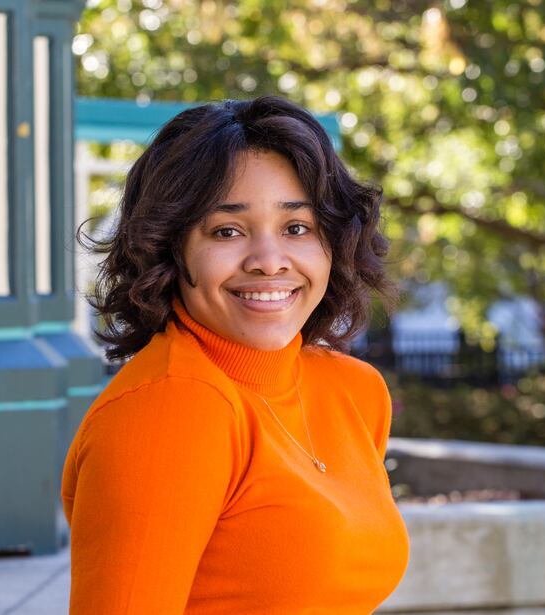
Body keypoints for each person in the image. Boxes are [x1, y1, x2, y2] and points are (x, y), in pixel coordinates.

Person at [61, 94, 410, 614]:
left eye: (297, 228)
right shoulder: (168, 412)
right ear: (168, 248)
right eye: (227, 230)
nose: (270, 262)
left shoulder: (354, 391)